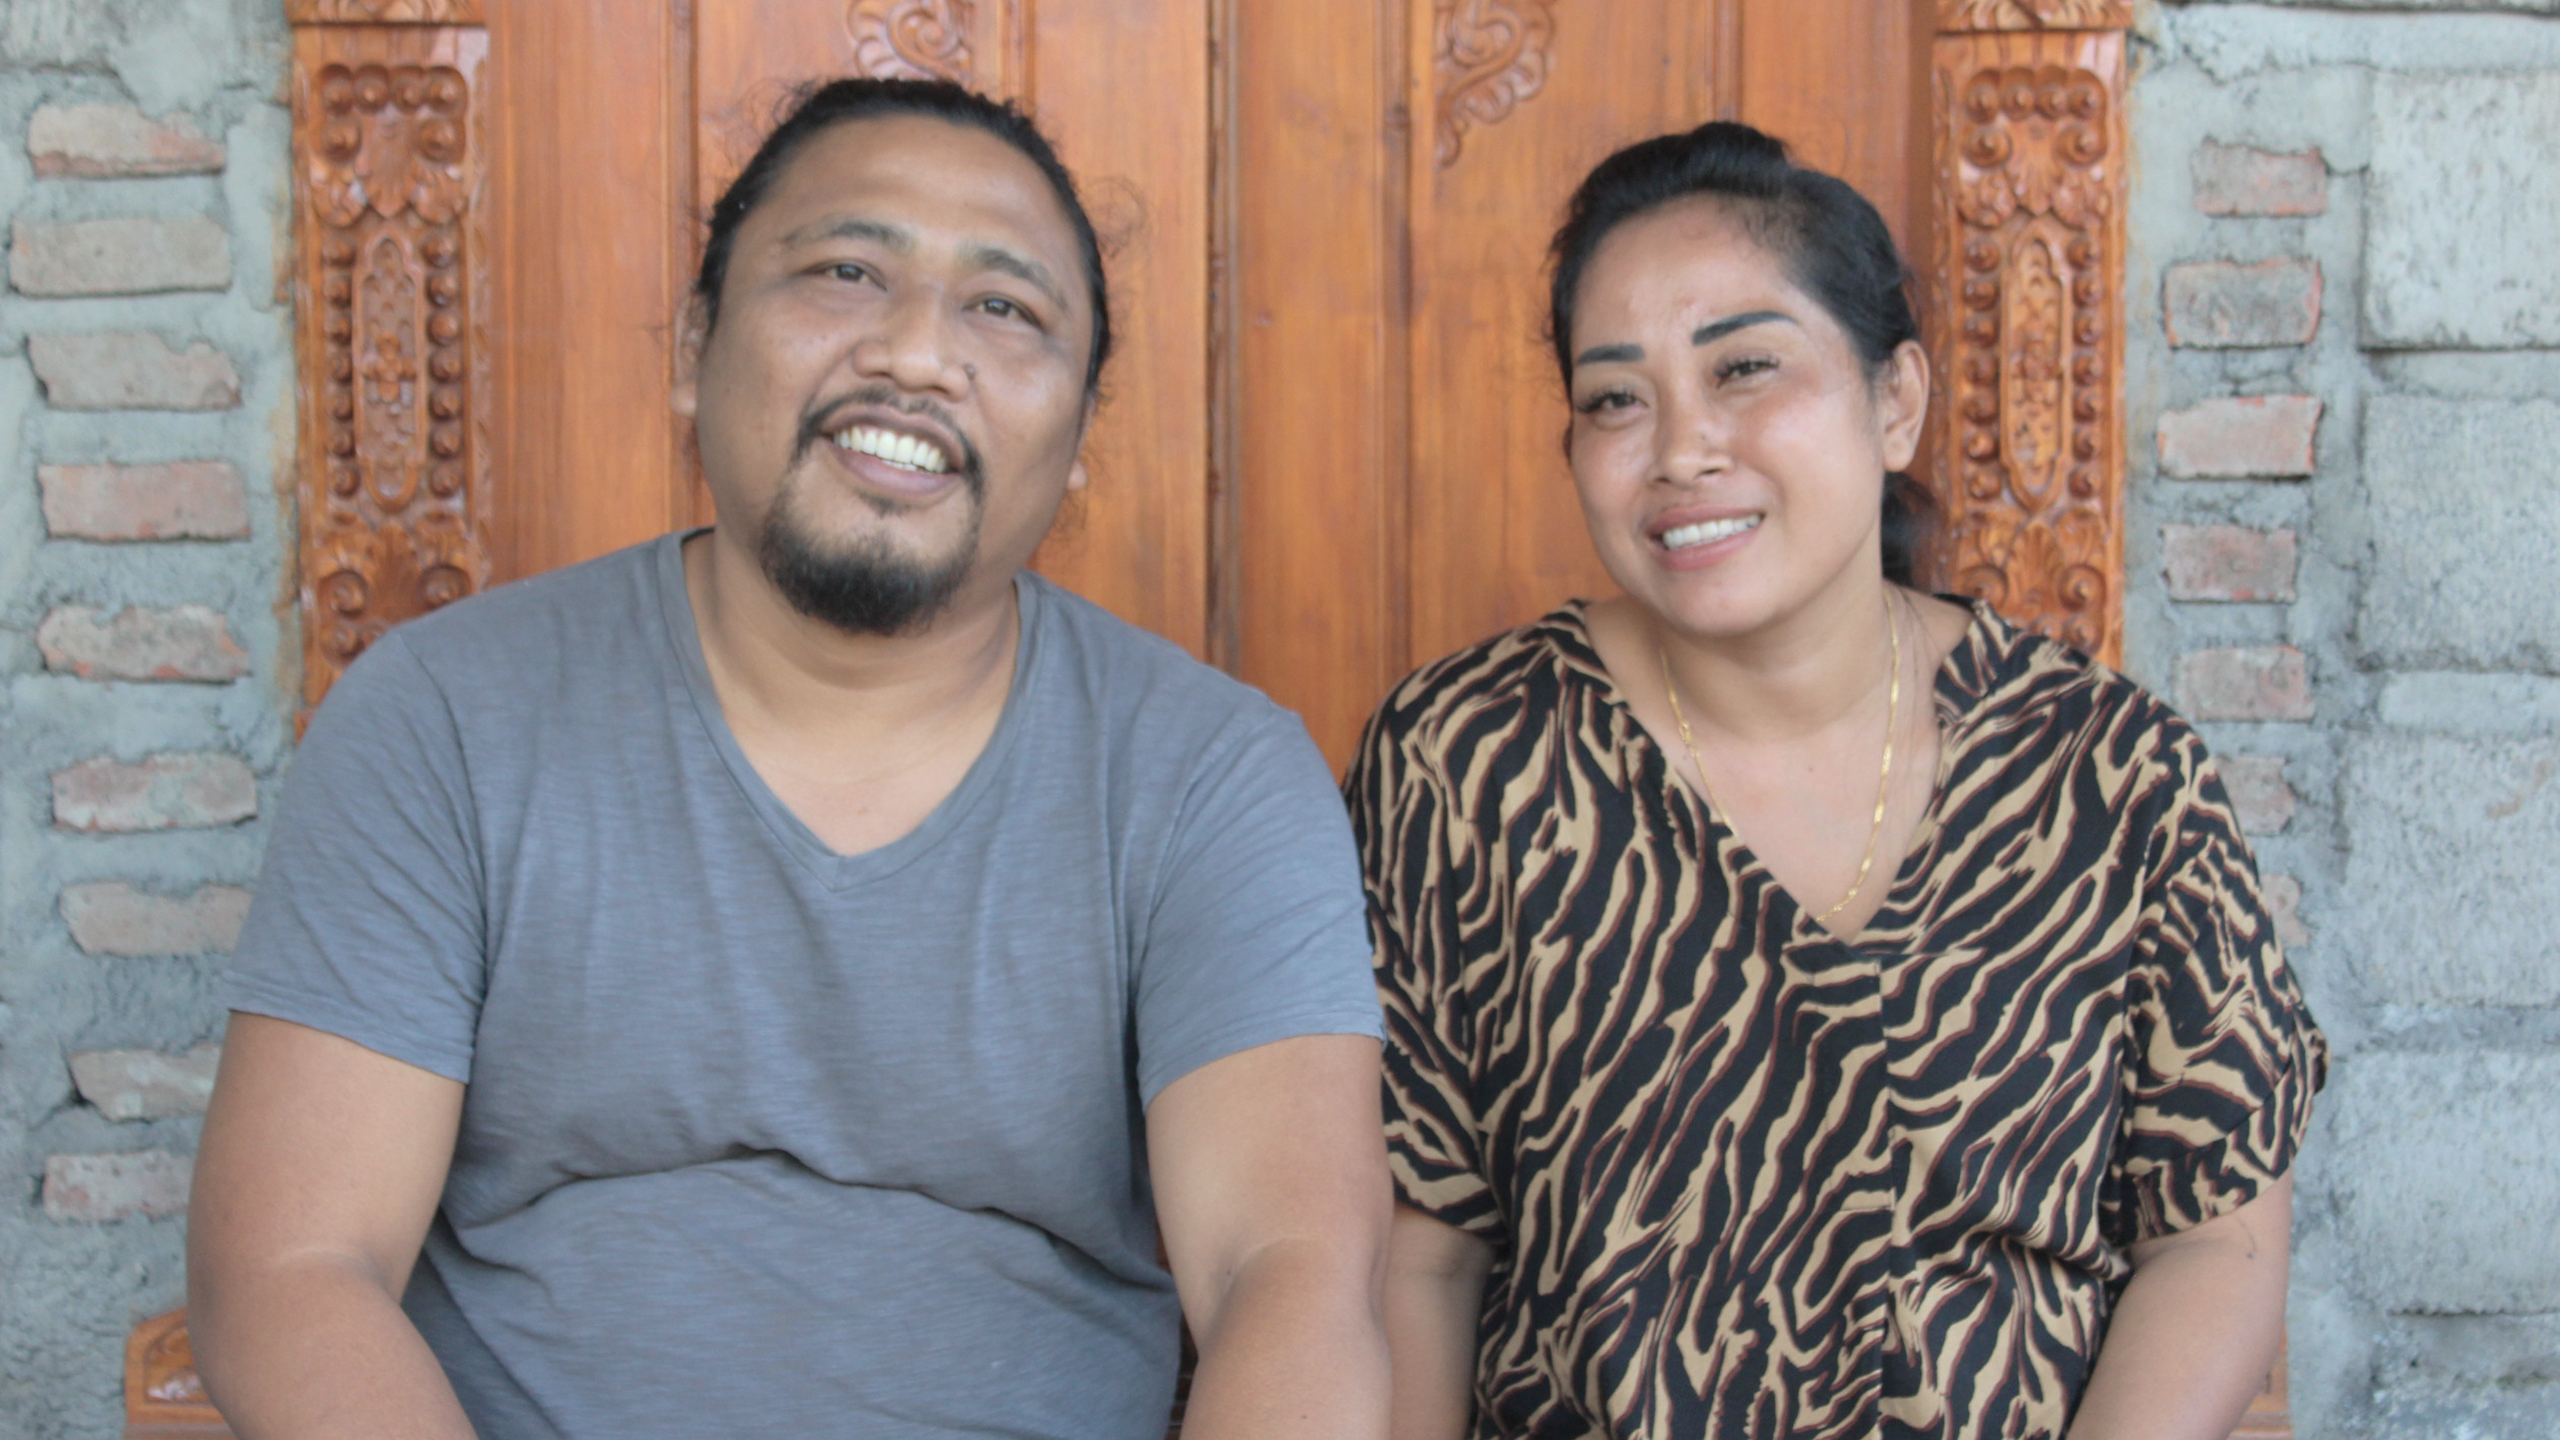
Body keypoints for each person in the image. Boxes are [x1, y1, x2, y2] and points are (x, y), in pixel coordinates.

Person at [189, 79, 1391, 1440]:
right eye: (846, 272)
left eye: (1004, 308)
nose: (918, 353)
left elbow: (1292, 1274)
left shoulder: (1211, 777)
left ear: (1078, 434)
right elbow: (291, 1269)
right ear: (695, 344)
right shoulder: (443, 718)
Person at [1351, 122, 2326, 1440]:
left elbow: (2215, 1241)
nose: (1681, 448)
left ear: (1896, 400)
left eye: (1745, 367)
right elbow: (1421, 1259)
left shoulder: (2112, 776)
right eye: (1615, 399)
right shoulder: (1471, 762)